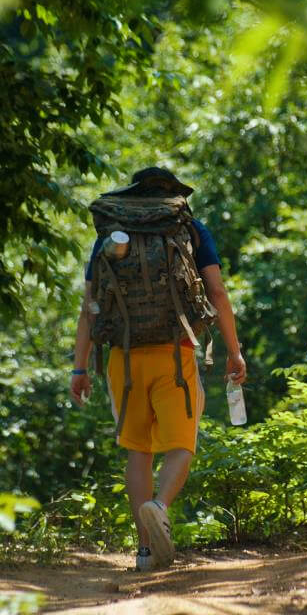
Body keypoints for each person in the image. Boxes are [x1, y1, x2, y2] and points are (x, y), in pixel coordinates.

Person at [70, 166, 247, 572]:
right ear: (174, 195)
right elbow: (216, 292)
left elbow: (90, 306)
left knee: (138, 450)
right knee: (181, 444)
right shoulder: (190, 229)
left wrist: (79, 368)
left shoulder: (111, 234)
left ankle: (146, 550)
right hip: (176, 351)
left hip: (124, 357)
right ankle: (160, 505)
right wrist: (234, 352)